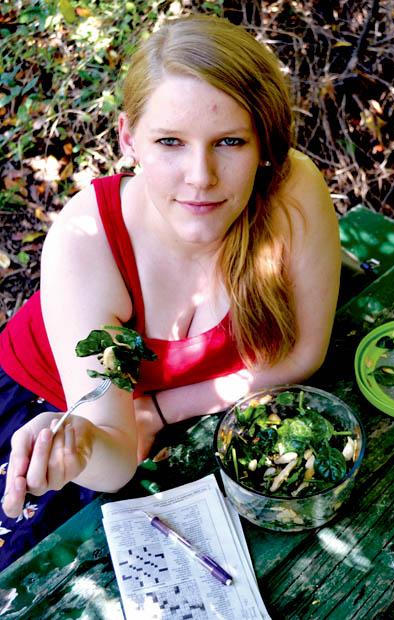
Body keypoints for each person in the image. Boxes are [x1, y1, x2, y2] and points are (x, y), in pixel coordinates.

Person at [0, 13, 340, 570]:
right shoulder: (87, 241)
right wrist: (78, 445)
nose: (201, 176)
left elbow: (304, 352)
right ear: (129, 138)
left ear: (263, 144)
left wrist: (160, 409)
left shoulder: (292, 194)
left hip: (167, 417)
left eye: (229, 141)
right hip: (48, 406)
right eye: (169, 142)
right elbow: (114, 451)